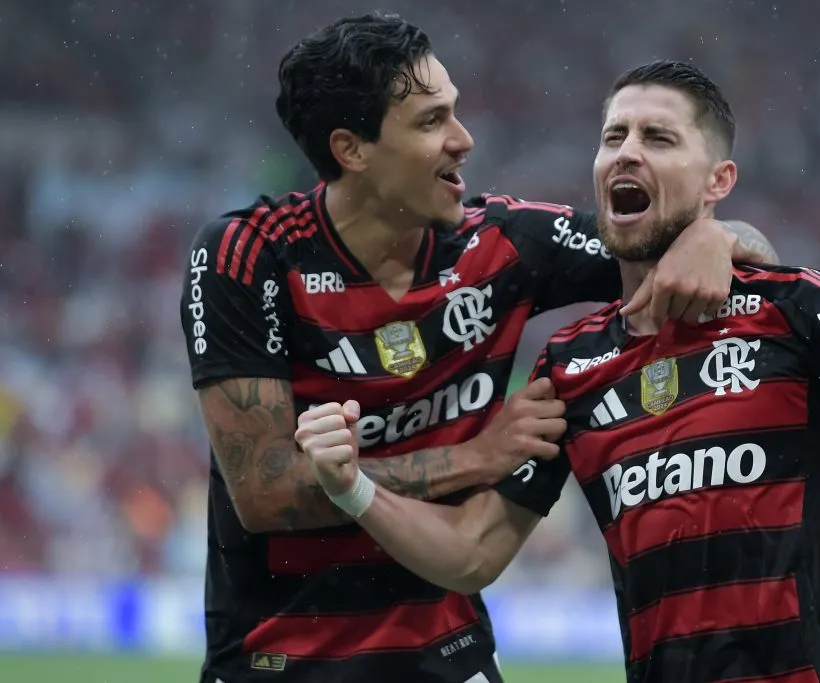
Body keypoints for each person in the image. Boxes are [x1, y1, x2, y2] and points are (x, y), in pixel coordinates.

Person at [298, 60, 820, 683]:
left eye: (658, 138)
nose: (627, 153)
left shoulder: (805, 309)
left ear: (718, 180)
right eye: (614, 136)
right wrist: (352, 486)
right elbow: (472, 553)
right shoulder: (569, 368)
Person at [180, 12, 780, 683]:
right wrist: (472, 457)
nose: (463, 139)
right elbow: (265, 492)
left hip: (445, 655)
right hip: (276, 657)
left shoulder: (505, 245)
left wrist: (714, 235)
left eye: (455, 111)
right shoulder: (248, 255)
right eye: (431, 121)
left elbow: (721, 250)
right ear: (352, 149)